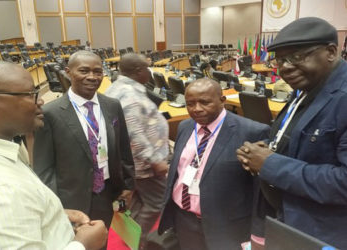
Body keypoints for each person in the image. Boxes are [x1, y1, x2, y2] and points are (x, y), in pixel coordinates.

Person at [236, 17, 347, 249]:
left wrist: (270, 164)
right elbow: (300, 138)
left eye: (297, 56)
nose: (285, 67)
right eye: (281, 60)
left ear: (331, 51)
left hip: (324, 232)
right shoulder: (307, 86)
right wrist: (268, 147)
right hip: (288, 216)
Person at [0, 61, 107, 249]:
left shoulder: (11, 151)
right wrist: (82, 245)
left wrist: (56, 214)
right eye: (31, 94)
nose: (40, 101)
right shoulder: (5, 188)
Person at [158, 78, 270, 249]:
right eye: (190, 103)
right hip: (184, 221)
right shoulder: (185, 126)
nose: (196, 109)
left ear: (222, 101)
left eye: (205, 102)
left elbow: (260, 192)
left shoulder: (251, 131)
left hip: (226, 226)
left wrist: (258, 234)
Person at [33, 50, 135, 229]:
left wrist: (127, 185)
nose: (92, 77)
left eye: (97, 71)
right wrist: (56, 205)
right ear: (68, 72)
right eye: (84, 71)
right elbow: (44, 168)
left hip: (106, 192)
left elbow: (123, 148)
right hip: (70, 200)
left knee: (101, 241)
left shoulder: (112, 105)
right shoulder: (51, 113)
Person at [105, 53, 169, 247]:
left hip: (131, 163)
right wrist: (155, 160)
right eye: (147, 68)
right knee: (158, 202)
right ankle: (139, 242)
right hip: (143, 165)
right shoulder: (130, 96)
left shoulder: (117, 86)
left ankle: (131, 238)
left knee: (138, 203)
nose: (150, 72)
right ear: (139, 71)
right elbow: (133, 133)